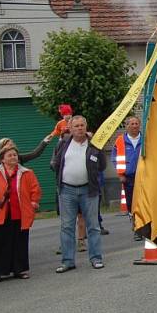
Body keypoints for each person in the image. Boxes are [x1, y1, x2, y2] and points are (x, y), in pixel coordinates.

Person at [50, 115, 106, 272]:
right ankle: (68, 261)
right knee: (67, 226)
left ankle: (96, 258)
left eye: (82, 125)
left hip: (89, 190)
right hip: (67, 190)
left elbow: (102, 165)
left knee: (93, 226)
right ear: (70, 128)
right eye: (76, 126)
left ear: (86, 127)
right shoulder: (63, 144)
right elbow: (55, 163)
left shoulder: (94, 144)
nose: (80, 128)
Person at [0, 143, 42, 284]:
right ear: (2, 159)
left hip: (20, 212)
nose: (13, 157)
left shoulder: (27, 172)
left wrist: (34, 201)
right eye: (9, 155)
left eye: (15, 155)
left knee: (20, 241)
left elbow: (35, 189)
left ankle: (20, 269)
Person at [112, 116, 143, 239]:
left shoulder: (145, 139)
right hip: (128, 177)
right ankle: (136, 227)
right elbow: (115, 158)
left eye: (136, 123)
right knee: (131, 203)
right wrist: (120, 174)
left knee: (144, 202)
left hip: (144, 177)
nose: (135, 126)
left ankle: (146, 227)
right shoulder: (120, 141)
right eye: (132, 124)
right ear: (127, 126)